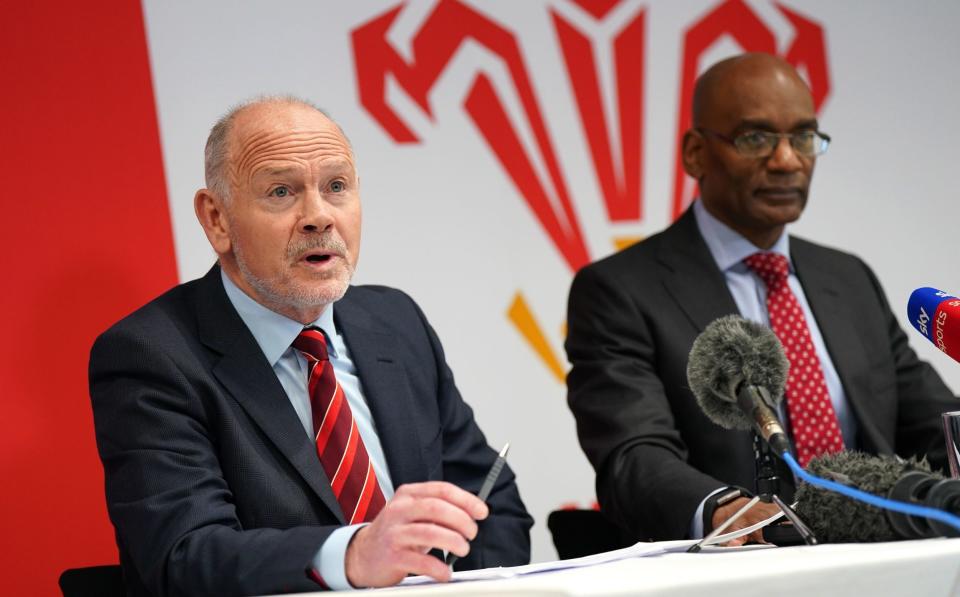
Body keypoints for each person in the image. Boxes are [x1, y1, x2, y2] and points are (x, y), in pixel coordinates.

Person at [89, 96, 532, 596]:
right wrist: (351, 555)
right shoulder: (151, 356)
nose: (318, 216)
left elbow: (493, 504)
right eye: (281, 191)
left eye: (337, 186)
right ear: (217, 219)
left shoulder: (395, 321)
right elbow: (185, 556)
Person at [565, 53, 958, 546]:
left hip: (882, 559)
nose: (787, 160)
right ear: (695, 153)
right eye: (756, 139)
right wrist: (720, 510)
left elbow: (930, 422)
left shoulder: (848, 278)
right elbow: (634, 455)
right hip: (741, 570)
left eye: (803, 138)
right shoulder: (620, 290)